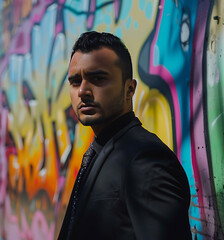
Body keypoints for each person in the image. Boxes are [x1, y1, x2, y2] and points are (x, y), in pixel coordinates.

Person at [58, 31, 192, 240]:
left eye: (98, 78)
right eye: (75, 81)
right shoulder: (100, 149)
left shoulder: (147, 161)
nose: (83, 90)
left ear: (129, 89)